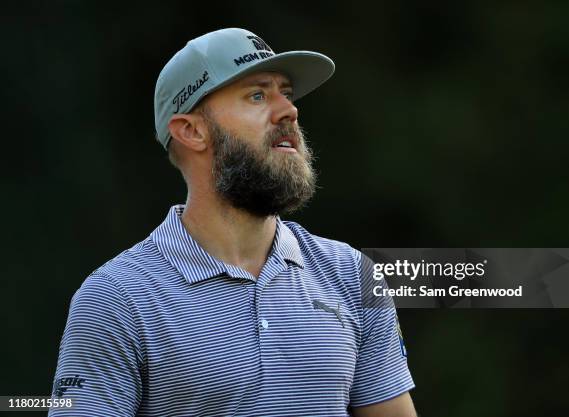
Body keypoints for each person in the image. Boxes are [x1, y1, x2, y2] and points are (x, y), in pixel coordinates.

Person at [49, 28, 417, 417]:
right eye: (257, 95)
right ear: (192, 131)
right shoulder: (116, 298)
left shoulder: (351, 274)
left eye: (286, 93)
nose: (288, 110)